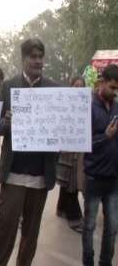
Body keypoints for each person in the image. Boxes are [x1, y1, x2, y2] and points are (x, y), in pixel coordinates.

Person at [0, 38, 58, 266]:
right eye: (33, 56)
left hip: (40, 175)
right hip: (14, 174)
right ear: (23, 59)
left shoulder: (53, 90)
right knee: (5, 226)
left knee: (31, 232)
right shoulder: (8, 87)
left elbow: (61, 127)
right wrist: (7, 123)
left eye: (40, 56)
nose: (37, 61)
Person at [82, 64, 118, 266]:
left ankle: (106, 262)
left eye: (117, 90)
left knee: (112, 228)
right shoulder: (88, 106)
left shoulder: (116, 106)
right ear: (102, 82)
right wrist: (104, 137)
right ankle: (88, 262)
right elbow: (83, 142)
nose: (114, 93)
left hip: (113, 179)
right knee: (89, 227)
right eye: (112, 88)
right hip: (94, 177)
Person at [56, 76, 85, 233]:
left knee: (70, 181)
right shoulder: (64, 103)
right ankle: (73, 217)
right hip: (65, 150)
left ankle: (61, 208)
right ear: (71, 86)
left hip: (78, 151)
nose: (78, 89)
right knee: (68, 182)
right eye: (76, 86)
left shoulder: (87, 105)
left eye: (81, 86)